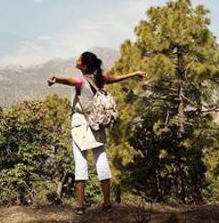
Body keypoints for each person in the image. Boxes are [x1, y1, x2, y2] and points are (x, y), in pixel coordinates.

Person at [47, 51, 147, 215]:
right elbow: (116, 78)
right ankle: (107, 203)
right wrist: (135, 73)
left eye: (79, 59)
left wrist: (55, 79)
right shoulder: (100, 79)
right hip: (98, 126)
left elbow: (68, 81)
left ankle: (80, 206)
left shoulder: (80, 81)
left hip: (81, 126)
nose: (76, 60)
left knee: (81, 164)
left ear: (84, 65)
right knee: (102, 162)